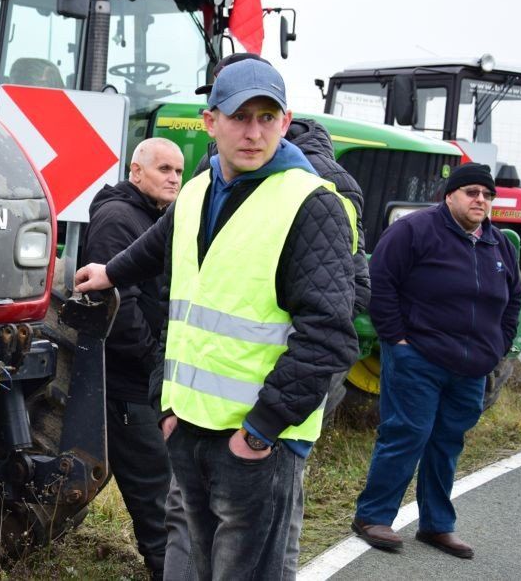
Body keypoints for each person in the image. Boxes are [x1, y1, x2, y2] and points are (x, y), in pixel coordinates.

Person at [76, 58, 358, 580]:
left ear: (285, 120)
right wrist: (109, 273)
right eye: (239, 117)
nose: (254, 132)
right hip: (189, 423)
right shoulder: (198, 191)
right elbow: (157, 246)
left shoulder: (310, 204)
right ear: (211, 122)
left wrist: (260, 431)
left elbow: (329, 336)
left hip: (257, 440)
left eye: (267, 118)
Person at [351, 162, 521, 559]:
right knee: (407, 433)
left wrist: (497, 346)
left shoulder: (498, 244)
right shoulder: (414, 230)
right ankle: (372, 516)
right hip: (419, 357)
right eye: (472, 192)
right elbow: (382, 282)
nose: (480, 200)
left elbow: (513, 297)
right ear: (450, 196)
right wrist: (397, 340)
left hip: (472, 367)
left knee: (447, 442)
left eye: (487, 195)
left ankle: (436, 525)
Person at [81, 137, 192, 580]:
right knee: (156, 494)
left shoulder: (153, 217)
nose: (174, 178)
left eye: (179, 171)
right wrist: (154, 364)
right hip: (129, 383)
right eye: (164, 169)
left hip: (146, 380)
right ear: (136, 171)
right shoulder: (118, 219)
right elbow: (118, 309)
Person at [193, 53, 370, 316]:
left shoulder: (323, 182)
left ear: (283, 120)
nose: (251, 132)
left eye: (262, 115)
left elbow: (352, 290)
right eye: (233, 112)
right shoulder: (211, 170)